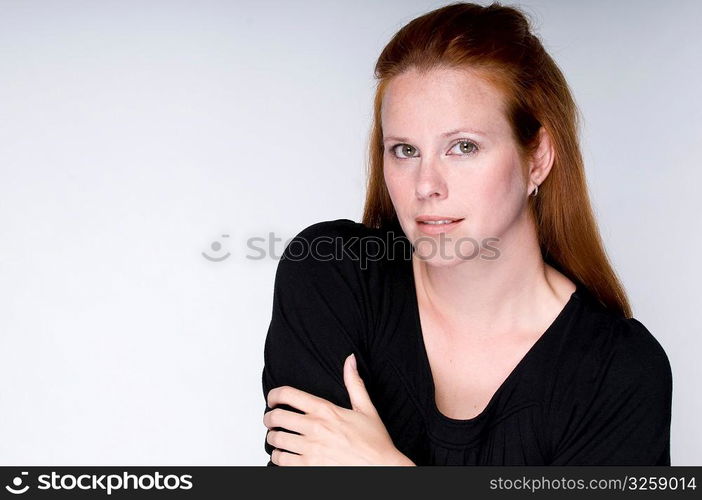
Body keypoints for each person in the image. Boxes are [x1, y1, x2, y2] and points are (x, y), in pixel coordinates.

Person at [261, 2, 672, 466]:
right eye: (404, 150)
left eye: (463, 147)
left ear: (536, 157)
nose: (426, 185)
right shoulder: (333, 275)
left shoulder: (617, 371)